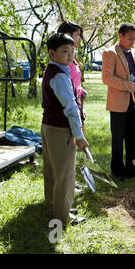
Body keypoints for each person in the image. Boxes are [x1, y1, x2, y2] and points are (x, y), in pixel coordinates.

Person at [41, 33, 89, 226]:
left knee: (52, 170)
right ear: (52, 53)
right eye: (64, 52)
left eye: (72, 51)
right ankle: (62, 216)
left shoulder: (53, 70)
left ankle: (53, 205)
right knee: (65, 174)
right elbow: (70, 108)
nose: (70, 56)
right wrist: (79, 135)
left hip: (48, 127)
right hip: (60, 130)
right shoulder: (59, 75)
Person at [102, 23, 135, 179]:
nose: (133, 42)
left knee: (134, 137)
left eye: (134, 38)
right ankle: (117, 170)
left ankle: (132, 170)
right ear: (120, 36)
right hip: (118, 104)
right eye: (129, 38)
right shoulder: (110, 53)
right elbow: (107, 78)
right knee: (118, 138)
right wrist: (130, 86)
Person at [57, 21, 87, 193]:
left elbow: (76, 84)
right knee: (69, 147)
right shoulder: (63, 59)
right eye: (77, 35)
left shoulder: (72, 57)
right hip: (68, 108)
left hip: (76, 104)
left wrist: (81, 94)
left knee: (74, 147)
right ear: (68, 34)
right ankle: (66, 184)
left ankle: (71, 182)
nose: (80, 39)